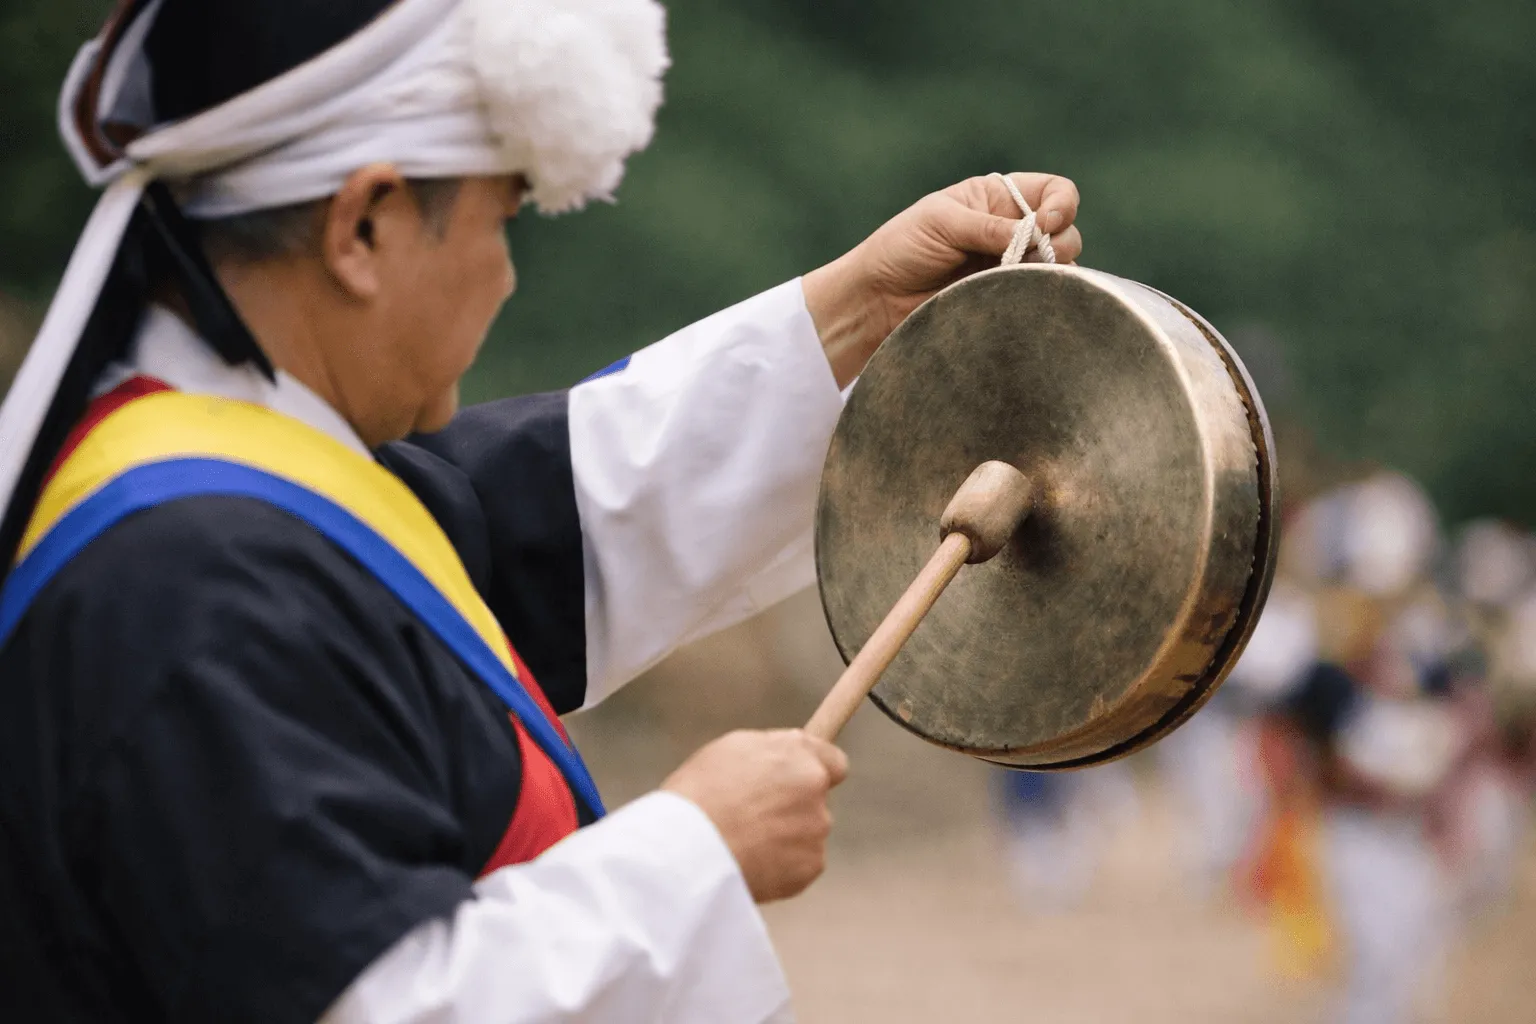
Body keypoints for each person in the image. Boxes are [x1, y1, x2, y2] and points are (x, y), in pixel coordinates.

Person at [0, 1, 1084, 1022]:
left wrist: (860, 314)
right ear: (363, 228)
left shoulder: (242, 483)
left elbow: (553, 510)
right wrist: (693, 851)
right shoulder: (189, 579)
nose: (506, 277)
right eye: (499, 218)